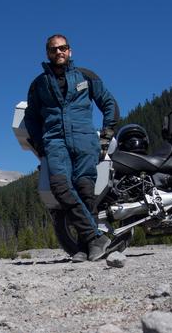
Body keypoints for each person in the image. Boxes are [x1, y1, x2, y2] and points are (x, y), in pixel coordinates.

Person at [24, 34, 119, 262]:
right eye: (54, 49)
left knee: (86, 192)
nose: (59, 52)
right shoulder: (39, 84)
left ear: (70, 51)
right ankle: (96, 238)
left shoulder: (86, 76)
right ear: (48, 54)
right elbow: (30, 118)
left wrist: (105, 136)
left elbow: (109, 104)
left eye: (63, 48)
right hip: (55, 142)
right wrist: (40, 144)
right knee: (61, 188)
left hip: (85, 140)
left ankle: (85, 248)